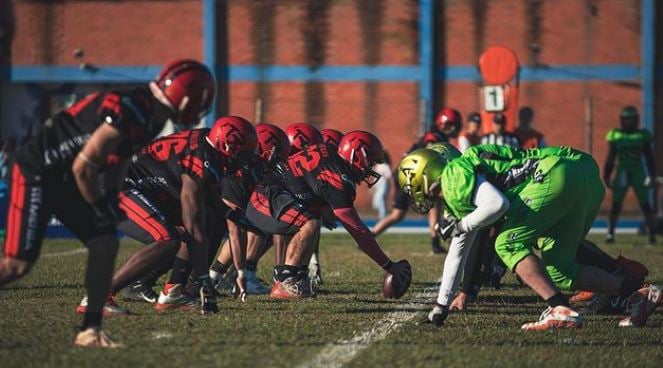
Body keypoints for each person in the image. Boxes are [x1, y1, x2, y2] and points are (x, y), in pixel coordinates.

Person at [0, 59, 215, 347]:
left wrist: (111, 198)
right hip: (39, 171)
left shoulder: (152, 114)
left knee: (105, 243)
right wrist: (101, 206)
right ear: (187, 97)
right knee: (17, 265)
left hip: (65, 176)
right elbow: (85, 167)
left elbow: (118, 160)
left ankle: (91, 329)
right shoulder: (135, 109)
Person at [398, 144, 662, 330]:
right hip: (581, 172)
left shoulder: (453, 176)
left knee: (507, 243)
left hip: (552, 177)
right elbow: (458, 251)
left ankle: (560, 309)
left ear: (423, 176)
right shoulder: (464, 177)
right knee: (560, 268)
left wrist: (463, 223)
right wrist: (441, 306)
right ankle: (637, 294)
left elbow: (495, 204)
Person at [76, 116, 257, 315]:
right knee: (168, 239)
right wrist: (204, 280)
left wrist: (229, 213)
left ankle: (174, 292)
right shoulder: (201, 159)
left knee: (200, 224)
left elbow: (207, 195)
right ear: (228, 145)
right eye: (244, 153)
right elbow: (192, 219)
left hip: (144, 183)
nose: (245, 160)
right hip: (117, 184)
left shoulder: (209, 142)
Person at [246, 130, 411, 299]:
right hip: (265, 198)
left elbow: (306, 184)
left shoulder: (330, 156)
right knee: (309, 222)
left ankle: (299, 277)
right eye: (371, 162)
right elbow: (358, 231)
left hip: (269, 193)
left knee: (312, 219)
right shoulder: (339, 177)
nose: (371, 169)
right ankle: (284, 281)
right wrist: (388, 265)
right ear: (357, 154)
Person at [372, 108, 462, 254]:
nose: (456, 128)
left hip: (409, 173)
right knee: (434, 202)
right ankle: (435, 242)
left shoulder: (437, 135)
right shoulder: (434, 136)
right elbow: (430, 148)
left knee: (398, 214)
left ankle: (371, 236)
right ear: (444, 124)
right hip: (412, 174)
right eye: (453, 125)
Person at [604, 106, 656, 244]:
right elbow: (611, 156)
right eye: (627, 119)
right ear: (622, 120)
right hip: (622, 171)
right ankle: (610, 233)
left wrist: (651, 175)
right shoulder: (616, 135)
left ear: (637, 120)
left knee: (645, 204)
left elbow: (649, 156)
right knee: (616, 204)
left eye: (632, 119)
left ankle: (652, 234)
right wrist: (607, 175)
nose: (629, 122)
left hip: (638, 171)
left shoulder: (642, 135)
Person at [371, 151, 392, 219]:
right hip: (377, 185)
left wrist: (383, 176)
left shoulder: (385, 166)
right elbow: (374, 177)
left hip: (383, 184)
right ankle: (384, 213)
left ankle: (382, 215)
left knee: (380, 198)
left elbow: (389, 175)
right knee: (376, 203)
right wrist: (373, 186)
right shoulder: (377, 166)